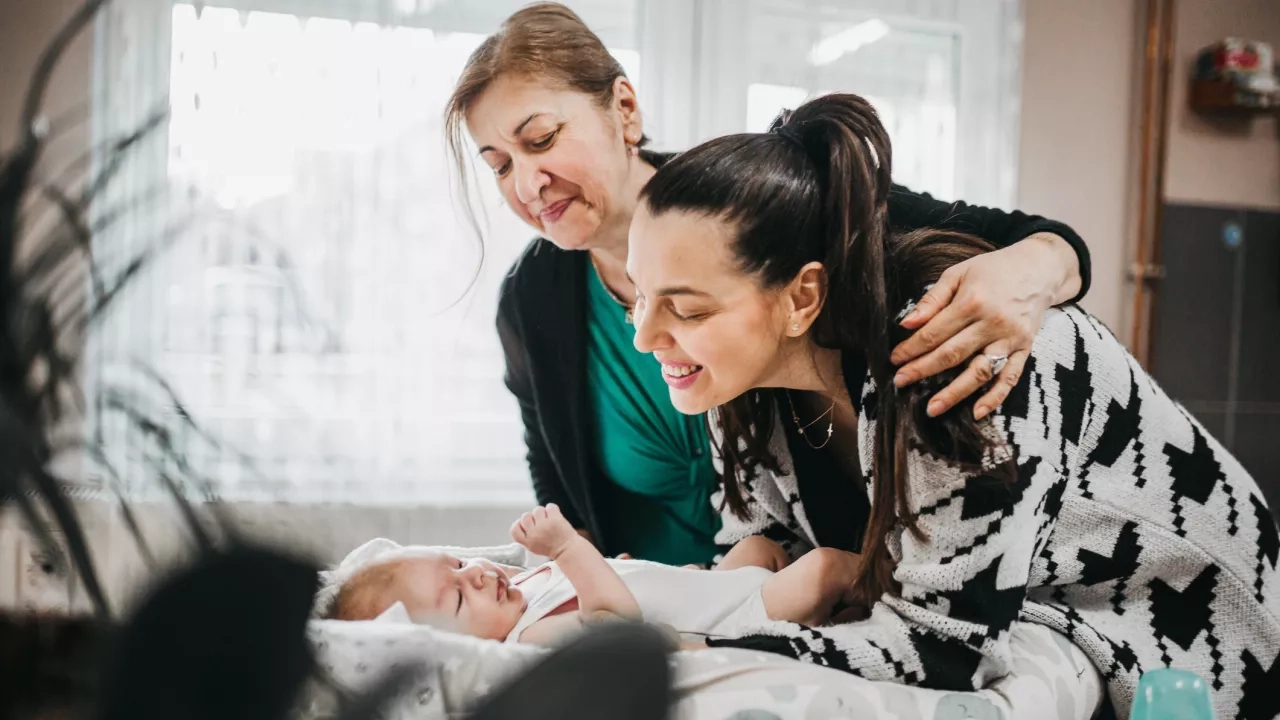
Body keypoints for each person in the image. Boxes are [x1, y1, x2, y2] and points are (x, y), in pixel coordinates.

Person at [623, 91, 1280, 719]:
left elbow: (939, 653)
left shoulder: (950, 363)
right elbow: (759, 557)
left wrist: (697, 651)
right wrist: (643, 605)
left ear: (801, 299)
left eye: (686, 308)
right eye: (640, 296)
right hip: (1014, 617)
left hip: (1178, 641)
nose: (647, 337)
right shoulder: (739, 381)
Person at [444, 2, 1092, 567]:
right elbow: (564, 501)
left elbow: (1037, 239)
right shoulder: (532, 304)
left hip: (814, 589)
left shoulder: (748, 205)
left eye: (542, 139)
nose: (527, 186)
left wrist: (1027, 274)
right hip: (673, 611)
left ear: (624, 108)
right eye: (499, 166)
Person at [324, 504, 864, 646]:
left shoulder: (518, 593)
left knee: (757, 545)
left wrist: (610, 567)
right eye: (460, 601)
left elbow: (597, 584)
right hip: (736, 618)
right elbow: (618, 626)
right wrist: (567, 549)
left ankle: (836, 613)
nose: (479, 578)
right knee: (822, 569)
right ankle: (901, 594)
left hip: (710, 585)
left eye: (460, 566)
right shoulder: (529, 638)